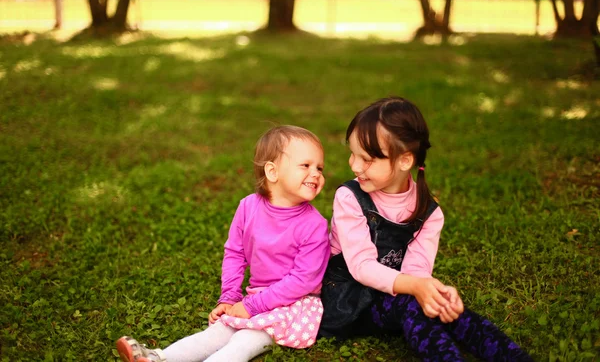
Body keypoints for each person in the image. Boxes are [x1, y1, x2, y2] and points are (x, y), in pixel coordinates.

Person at [319, 97, 533, 361]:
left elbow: (416, 271)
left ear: (404, 160)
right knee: (413, 301)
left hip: (394, 296)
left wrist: (433, 290)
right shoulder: (349, 197)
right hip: (348, 301)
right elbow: (361, 266)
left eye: (367, 158)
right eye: (353, 154)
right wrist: (418, 288)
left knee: (442, 307)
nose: (354, 165)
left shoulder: (428, 212)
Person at [117, 125, 330, 362]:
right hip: (257, 296)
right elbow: (235, 253)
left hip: (294, 304)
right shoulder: (248, 207)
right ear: (272, 171)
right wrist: (229, 298)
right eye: (306, 165)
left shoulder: (314, 225)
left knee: (245, 340)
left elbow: (303, 280)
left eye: (319, 168)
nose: (316, 174)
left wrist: (252, 306)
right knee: (215, 333)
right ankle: (160, 358)